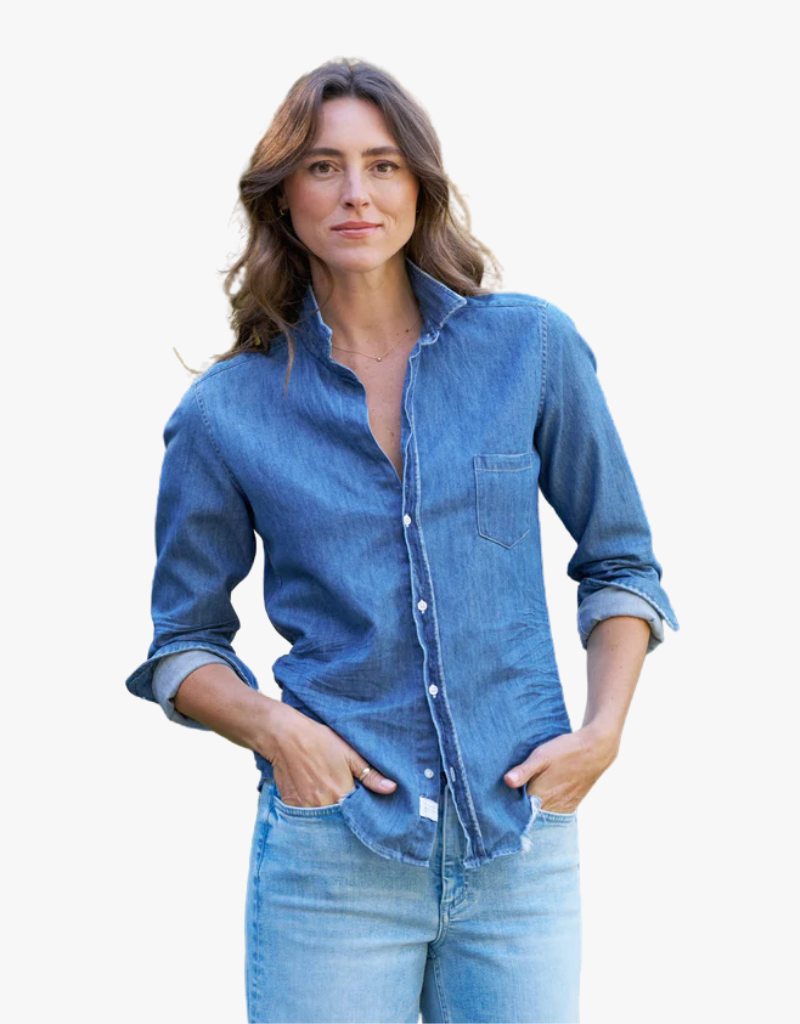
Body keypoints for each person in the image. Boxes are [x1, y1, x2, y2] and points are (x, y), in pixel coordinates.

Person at [125, 57, 678, 1024]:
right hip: (335, 856)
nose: (356, 192)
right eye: (323, 166)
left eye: (382, 165)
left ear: (419, 186)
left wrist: (603, 735)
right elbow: (184, 644)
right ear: (283, 196)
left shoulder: (530, 349)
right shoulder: (226, 411)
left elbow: (621, 561)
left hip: (519, 846)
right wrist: (277, 732)